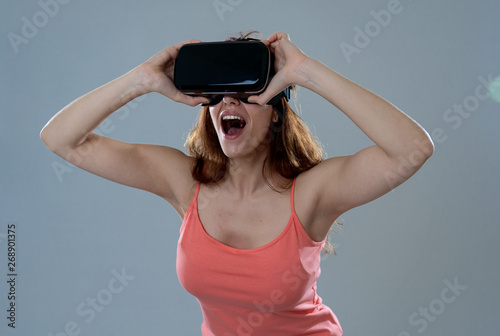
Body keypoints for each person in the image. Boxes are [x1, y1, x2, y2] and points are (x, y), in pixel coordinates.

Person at [40, 31, 434, 335]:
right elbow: (60, 138)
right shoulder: (184, 182)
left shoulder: (312, 193)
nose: (229, 103)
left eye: (246, 93)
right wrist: (143, 78)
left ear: (276, 112)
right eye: (218, 95)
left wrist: (305, 71)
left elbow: (412, 150)